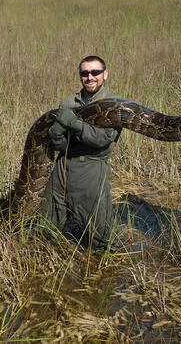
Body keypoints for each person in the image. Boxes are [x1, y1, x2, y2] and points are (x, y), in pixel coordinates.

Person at [40, 55, 122, 250]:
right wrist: (57, 135)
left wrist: (74, 123)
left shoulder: (115, 104)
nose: (90, 77)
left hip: (92, 168)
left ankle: (97, 273)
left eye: (95, 72)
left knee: (99, 237)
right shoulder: (69, 102)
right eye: (85, 73)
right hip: (63, 166)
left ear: (105, 74)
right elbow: (60, 145)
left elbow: (101, 140)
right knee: (46, 225)